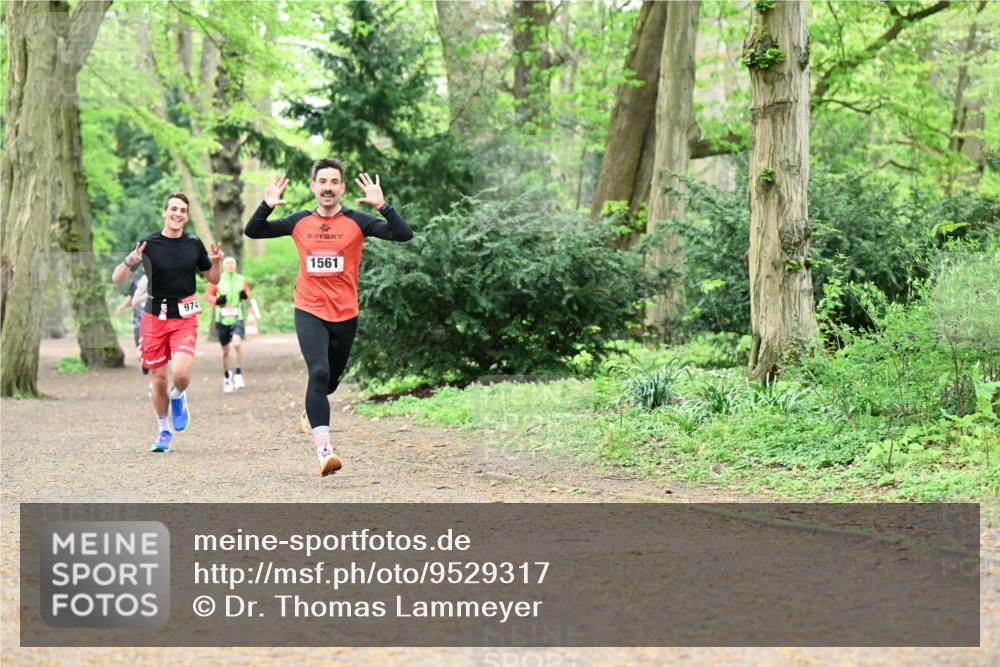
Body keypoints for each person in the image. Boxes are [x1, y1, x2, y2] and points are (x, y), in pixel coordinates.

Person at [245, 159, 413, 476]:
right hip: (309, 309)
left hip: (345, 313)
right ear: (313, 186)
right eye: (322, 181)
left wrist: (383, 206)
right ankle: (325, 451)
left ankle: (315, 407)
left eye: (334, 182)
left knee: (329, 382)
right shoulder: (299, 221)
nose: (327, 187)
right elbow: (253, 231)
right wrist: (267, 205)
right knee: (319, 373)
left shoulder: (357, 221)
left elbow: (403, 234)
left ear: (342, 188)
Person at [112, 192, 222, 453]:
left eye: (182, 210)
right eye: (173, 209)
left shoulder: (193, 244)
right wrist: (130, 261)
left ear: (186, 216)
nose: (177, 213)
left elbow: (213, 279)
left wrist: (216, 262)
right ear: (164, 212)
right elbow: (117, 278)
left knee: (181, 374)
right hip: (153, 318)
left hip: (184, 316)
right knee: (159, 379)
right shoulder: (148, 244)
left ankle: (178, 395)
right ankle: (163, 430)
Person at [204, 256, 251, 393]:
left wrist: (245, 295)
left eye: (232, 263)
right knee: (225, 351)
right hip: (222, 319)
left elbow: (247, 292)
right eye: (227, 263)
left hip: (237, 317)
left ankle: (238, 374)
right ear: (223, 266)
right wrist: (217, 300)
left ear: (235, 265)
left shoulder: (241, 279)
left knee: (237, 343)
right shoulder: (217, 280)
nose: (230, 265)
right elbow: (207, 295)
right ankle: (226, 376)